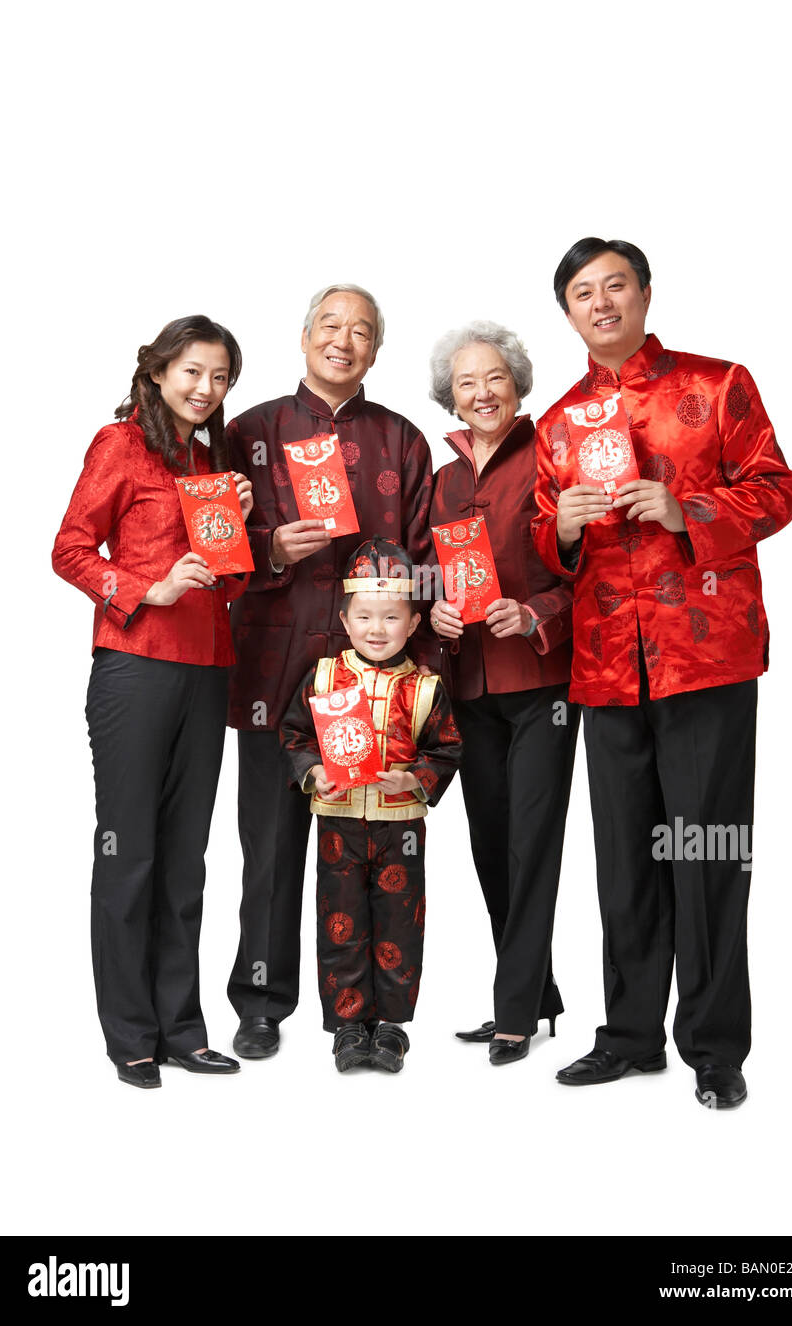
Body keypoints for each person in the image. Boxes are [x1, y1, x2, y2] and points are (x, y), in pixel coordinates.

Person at [532, 238, 792, 1108]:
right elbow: (544, 545)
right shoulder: (558, 423)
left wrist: (689, 510)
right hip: (605, 667)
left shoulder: (717, 384)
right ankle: (631, 1036)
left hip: (706, 656)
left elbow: (777, 490)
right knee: (626, 860)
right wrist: (563, 528)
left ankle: (715, 1049)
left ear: (645, 293)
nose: (601, 302)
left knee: (708, 853)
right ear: (567, 311)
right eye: (583, 292)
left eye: (616, 286)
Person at [225, 284, 438, 1060]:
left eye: (362, 332)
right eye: (330, 326)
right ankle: (260, 1000)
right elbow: (212, 545)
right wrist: (270, 550)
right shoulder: (249, 431)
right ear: (305, 335)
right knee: (271, 845)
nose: (344, 341)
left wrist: (418, 653)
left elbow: (429, 559)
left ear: (378, 350)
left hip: (379, 677)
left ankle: (372, 1011)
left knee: (375, 851)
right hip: (274, 668)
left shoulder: (402, 440)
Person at [52, 315, 252, 1089]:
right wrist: (147, 588)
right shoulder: (120, 445)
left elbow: (229, 578)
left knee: (185, 860)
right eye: (194, 372)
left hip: (208, 671)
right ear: (160, 370)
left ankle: (182, 1027)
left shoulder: (213, 461)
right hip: (135, 668)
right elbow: (69, 549)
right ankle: (130, 1032)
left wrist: (238, 514)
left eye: (222, 377)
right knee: (129, 853)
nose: (207, 389)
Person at [428, 323, 578, 1065]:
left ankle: (513, 1010)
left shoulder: (553, 453)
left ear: (517, 382)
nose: (482, 392)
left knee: (531, 844)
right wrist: (436, 611)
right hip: (470, 683)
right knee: (490, 844)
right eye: (466, 383)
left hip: (542, 683)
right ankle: (537, 994)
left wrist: (536, 612)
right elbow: (429, 574)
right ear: (449, 397)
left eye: (494, 377)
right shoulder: (443, 480)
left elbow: (593, 572)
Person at [279, 538, 462, 1073]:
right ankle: (347, 1025)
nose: (376, 629)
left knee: (399, 921)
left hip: (400, 828)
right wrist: (314, 773)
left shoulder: (426, 687)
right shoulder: (324, 676)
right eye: (364, 617)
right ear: (345, 618)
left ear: (412, 623)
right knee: (341, 919)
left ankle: (391, 1026)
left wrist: (413, 778)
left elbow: (447, 747)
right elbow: (294, 736)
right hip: (338, 823)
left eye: (390, 617)